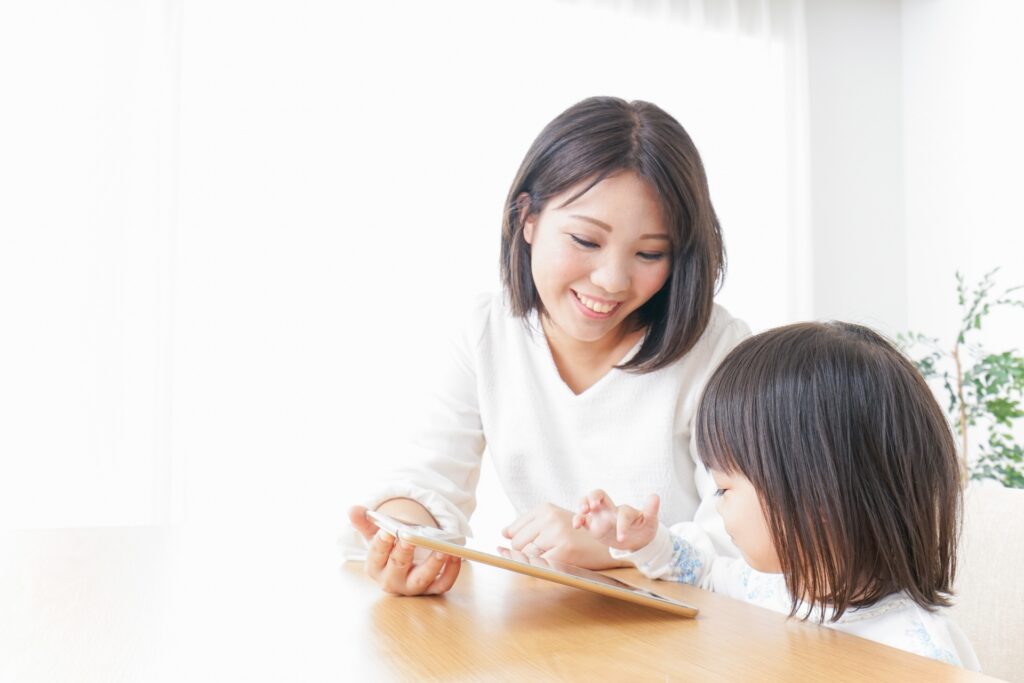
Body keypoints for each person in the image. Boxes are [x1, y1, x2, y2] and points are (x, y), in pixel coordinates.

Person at [347, 96, 750, 596]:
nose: (611, 281)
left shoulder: (720, 353)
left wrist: (610, 549)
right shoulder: (485, 333)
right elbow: (426, 483)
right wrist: (407, 539)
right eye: (585, 240)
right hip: (547, 629)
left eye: (650, 253)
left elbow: (747, 545)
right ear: (528, 219)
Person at [574, 322, 980, 669]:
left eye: (725, 488)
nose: (718, 504)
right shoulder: (774, 588)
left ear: (816, 498)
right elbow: (699, 574)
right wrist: (648, 541)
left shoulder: (918, 651)